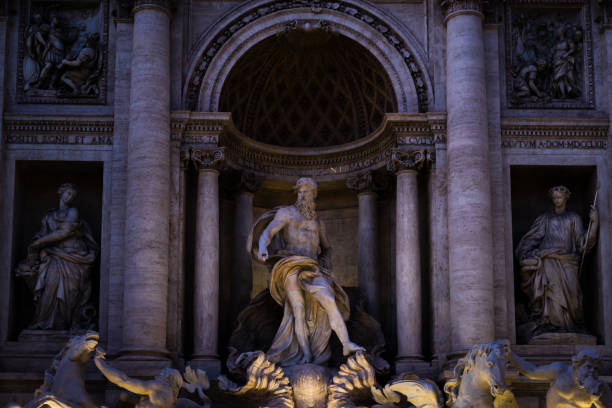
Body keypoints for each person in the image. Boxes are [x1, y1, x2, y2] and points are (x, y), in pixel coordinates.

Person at [247, 177, 363, 366]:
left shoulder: (318, 221)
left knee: (330, 301)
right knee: (298, 309)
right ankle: (306, 355)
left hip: (313, 266)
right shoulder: (287, 212)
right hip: (290, 264)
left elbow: (326, 247)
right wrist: (262, 247)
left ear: (313, 195)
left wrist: (326, 262)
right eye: (300, 191)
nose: (302, 194)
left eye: (306, 191)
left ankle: (346, 343)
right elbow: (268, 232)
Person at [516, 186, 598, 336]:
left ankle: (571, 326)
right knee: (550, 293)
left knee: (573, 295)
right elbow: (531, 239)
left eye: (559, 197)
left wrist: (594, 224)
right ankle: (550, 324)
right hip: (548, 261)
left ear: (566, 198)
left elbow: (582, 244)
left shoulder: (574, 218)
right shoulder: (545, 219)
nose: (557, 200)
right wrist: (529, 253)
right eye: (554, 198)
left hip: (568, 261)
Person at [17, 183, 98, 330]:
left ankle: (63, 324)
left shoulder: (73, 212)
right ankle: (43, 321)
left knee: (70, 292)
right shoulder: (49, 216)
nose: (70, 197)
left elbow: (65, 232)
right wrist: (37, 244)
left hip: (74, 257)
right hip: (53, 256)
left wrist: (39, 242)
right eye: (68, 194)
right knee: (50, 286)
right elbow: (42, 234)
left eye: (73, 195)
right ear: (60, 193)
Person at [508, 347, 612, 408]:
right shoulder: (560, 371)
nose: (591, 372)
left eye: (595, 368)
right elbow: (531, 371)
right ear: (577, 366)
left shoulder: (600, 388)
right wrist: (509, 354)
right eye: (588, 367)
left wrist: (597, 398)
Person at [94, 347, 183, 408]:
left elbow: (124, 380)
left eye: (161, 374)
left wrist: (100, 363)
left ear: (168, 377)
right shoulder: (170, 397)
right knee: (125, 396)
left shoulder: (158, 386)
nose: (157, 376)